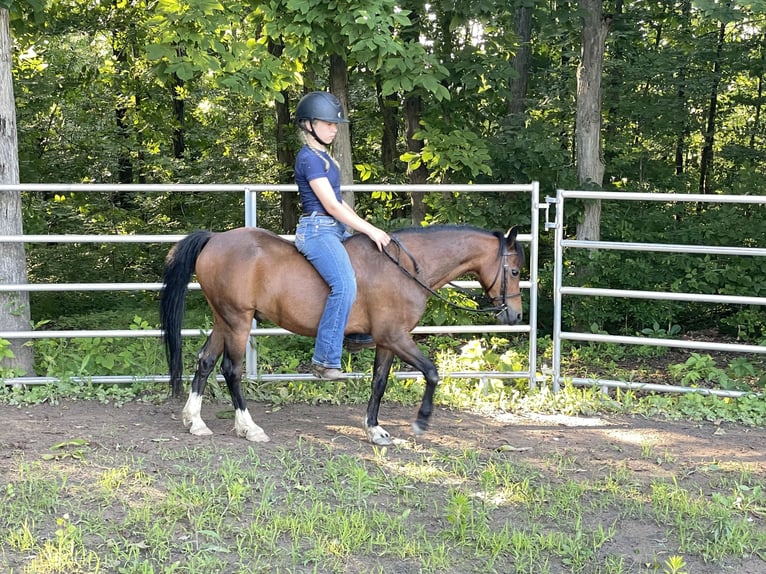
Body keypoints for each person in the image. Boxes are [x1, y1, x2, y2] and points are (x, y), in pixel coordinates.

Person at [293, 91, 391, 380]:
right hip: (317, 230)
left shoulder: (325, 157)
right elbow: (332, 205)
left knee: (365, 274)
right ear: (309, 125)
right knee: (345, 285)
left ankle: (357, 333)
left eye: (336, 124)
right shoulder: (309, 159)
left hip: (334, 228)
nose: (334, 128)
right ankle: (325, 360)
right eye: (328, 124)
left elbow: (340, 201)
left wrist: (361, 224)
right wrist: (370, 229)